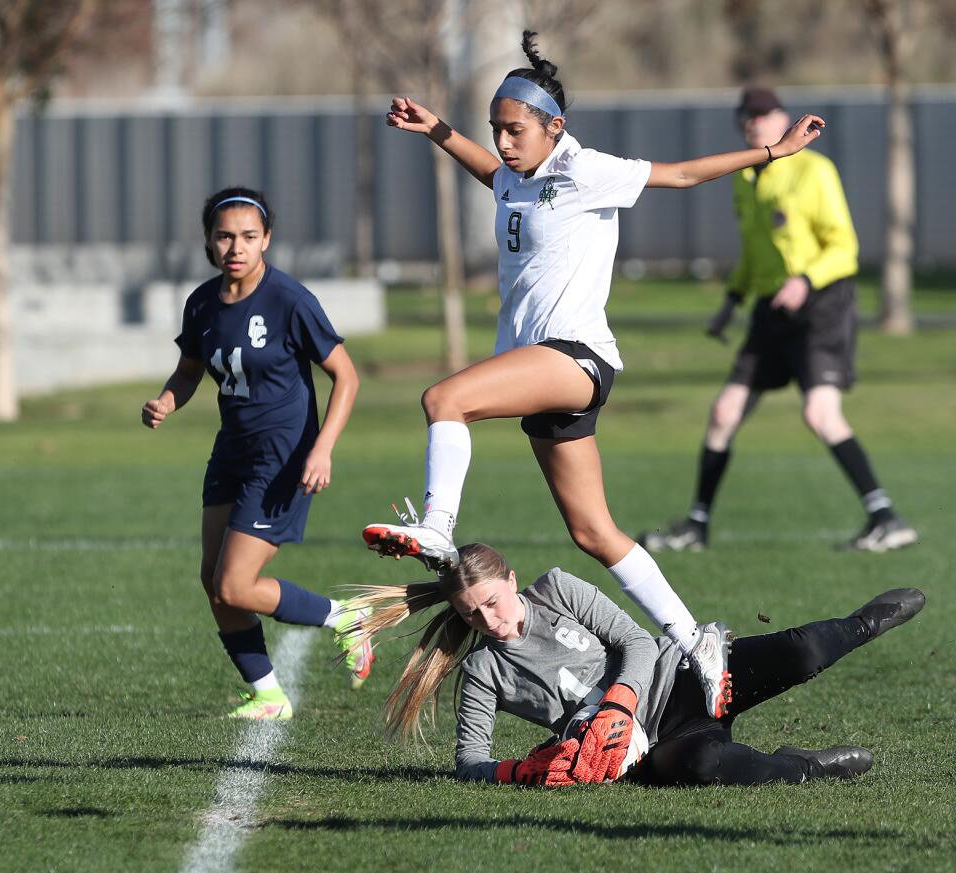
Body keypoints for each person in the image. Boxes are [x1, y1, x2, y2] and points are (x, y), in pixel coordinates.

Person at [361, 32, 825, 719]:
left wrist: (771, 152)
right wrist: (439, 131)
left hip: (574, 357)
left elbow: (684, 175)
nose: (504, 141)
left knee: (444, 397)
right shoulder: (517, 173)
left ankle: (438, 524)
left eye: (515, 129)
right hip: (541, 374)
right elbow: (494, 175)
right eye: (497, 130)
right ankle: (695, 639)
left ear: (556, 127)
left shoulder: (587, 170)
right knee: (594, 532)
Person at [349, 542, 924, 787]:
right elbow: (469, 760)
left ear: (512, 581)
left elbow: (637, 643)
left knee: (797, 653)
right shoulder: (482, 672)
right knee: (706, 768)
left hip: (682, 680)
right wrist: (518, 771)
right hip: (642, 748)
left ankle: (864, 624)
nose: (490, 622)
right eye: (472, 616)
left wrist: (620, 698)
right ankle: (803, 767)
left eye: (493, 603)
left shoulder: (558, 589)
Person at [640, 86, 916, 555]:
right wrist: (732, 299)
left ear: (784, 118)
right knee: (723, 413)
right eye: (747, 116)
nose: (754, 123)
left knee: (820, 414)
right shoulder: (744, 177)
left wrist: (806, 281)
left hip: (822, 305)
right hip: (771, 310)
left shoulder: (815, 171)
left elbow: (844, 247)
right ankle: (697, 526)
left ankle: (886, 518)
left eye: (764, 115)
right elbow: (753, 252)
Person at [141, 186, 373, 720]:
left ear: (266, 239)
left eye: (248, 236)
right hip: (231, 452)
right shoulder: (201, 302)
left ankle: (344, 617)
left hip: (283, 457)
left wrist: (323, 449)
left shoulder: (290, 301)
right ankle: (267, 693)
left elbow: (347, 376)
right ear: (209, 240)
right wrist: (165, 402)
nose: (236, 247)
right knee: (214, 583)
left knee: (235, 583)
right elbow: (190, 369)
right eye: (225, 236)